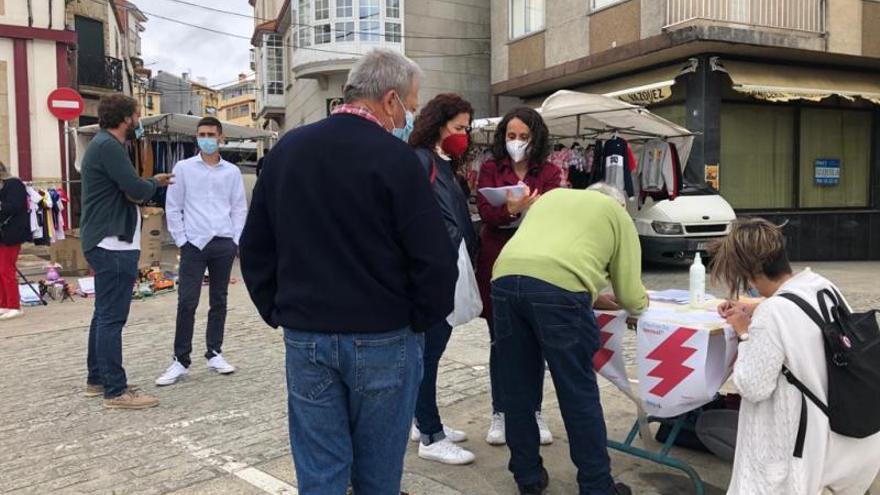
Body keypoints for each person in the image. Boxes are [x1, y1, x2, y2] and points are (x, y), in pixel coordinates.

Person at [239, 49, 457, 495]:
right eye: (410, 106)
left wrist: (280, 310)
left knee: (320, 471)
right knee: (378, 474)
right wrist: (419, 321)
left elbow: (255, 245)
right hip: (383, 336)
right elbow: (433, 258)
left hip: (307, 335)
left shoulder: (287, 151)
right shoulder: (398, 160)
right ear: (390, 98)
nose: (408, 117)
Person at [491, 183, 645, 495]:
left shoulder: (553, 197)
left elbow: (547, 259)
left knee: (517, 388)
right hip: (559, 293)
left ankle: (527, 478)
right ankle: (597, 485)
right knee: (577, 392)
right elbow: (630, 293)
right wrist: (642, 305)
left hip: (505, 280)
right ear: (621, 205)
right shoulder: (617, 214)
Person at [709, 219, 880, 495]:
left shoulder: (771, 315)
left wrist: (743, 332)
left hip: (812, 450)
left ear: (750, 272)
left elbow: (752, 386)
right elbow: (797, 316)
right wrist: (755, 307)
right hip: (856, 435)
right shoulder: (821, 285)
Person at [80, 94, 174, 409]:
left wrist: (147, 182)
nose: (139, 122)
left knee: (103, 314)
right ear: (125, 118)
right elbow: (134, 190)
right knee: (111, 318)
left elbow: (128, 187)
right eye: (137, 116)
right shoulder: (109, 146)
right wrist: (154, 184)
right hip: (112, 243)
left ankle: (98, 379)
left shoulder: (104, 145)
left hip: (106, 241)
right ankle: (116, 391)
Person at [476, 106, 562, 446]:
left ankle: (533, 412)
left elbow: (555, 211)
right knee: (501, 342)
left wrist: (530, 209)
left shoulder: (551, 172)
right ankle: (501, 413)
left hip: (536, 262)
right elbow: (485, 210)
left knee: (535, 343)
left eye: (523, 137)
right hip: (497, 262)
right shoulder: (489, 168)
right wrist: (510, 209)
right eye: (511, 136)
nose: (516, 143)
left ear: (535, 138)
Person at [407, 93, 479, 465]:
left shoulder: (442, 163)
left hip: (451, 263)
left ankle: (423, 420)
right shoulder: (421, 161)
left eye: (467, 128)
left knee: (431, 351)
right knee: (428, 354)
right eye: (458, 127)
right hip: (436, 268)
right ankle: (431, 435)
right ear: (438, 124)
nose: (464, 134)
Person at [155, 117, 247, 386]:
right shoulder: (183, 168)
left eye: (210, 134)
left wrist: (235, 239)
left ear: (220, 137)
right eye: (201, 134)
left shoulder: (231, 172)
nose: (205, 138)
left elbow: (239, 207)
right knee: (187, 302)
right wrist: (182, 239)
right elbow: (173, 205)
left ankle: (215, 352)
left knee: (219, 300)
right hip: (193, 243)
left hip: (222, 242)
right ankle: (180, 359)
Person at [0, 160, 30, 320]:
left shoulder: (14, 184)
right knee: (1, 271)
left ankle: (14, 305)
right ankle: (4, 304)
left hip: (11, 233)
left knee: (7, 270)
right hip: (2, 233)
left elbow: (15, 206)